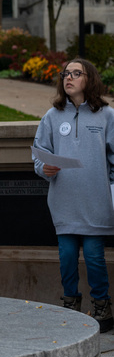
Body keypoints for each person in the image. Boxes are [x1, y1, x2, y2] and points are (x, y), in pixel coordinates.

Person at [33, 58, 114, 332]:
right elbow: (38, 155)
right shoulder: (51, 116)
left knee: (94, 257)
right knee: (67, 256)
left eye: (76, 73)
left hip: (95, 203)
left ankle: (102, 307)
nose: (69, 78)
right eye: (65, 73)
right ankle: (71, 306)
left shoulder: (106, 115)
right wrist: (45, 168)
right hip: (64, 203)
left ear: (88, 79)